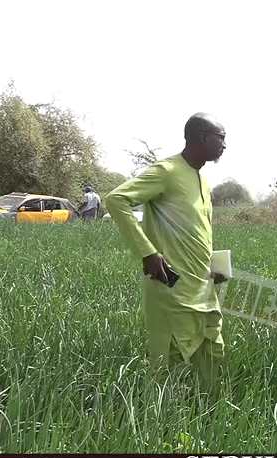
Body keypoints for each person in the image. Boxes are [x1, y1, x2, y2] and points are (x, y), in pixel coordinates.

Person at [106, 112, 228, 392]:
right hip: (171, 284)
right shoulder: (167, 171)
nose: (224, 145)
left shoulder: (203, 179)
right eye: (220, 138)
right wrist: (147, 252)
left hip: (202, 285)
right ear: (201, 137)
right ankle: (160, 421)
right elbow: (117, 200)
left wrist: (215, 265)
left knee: (212, 350)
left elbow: (200, 228)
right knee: (170, 357)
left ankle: (209, 413)